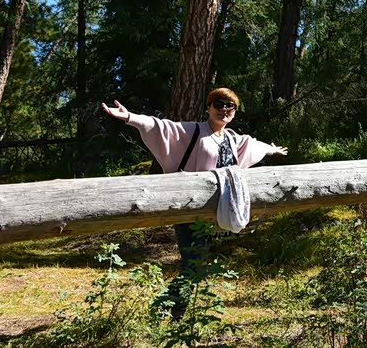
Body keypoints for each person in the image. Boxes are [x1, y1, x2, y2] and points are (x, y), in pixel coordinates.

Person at [101, 87, 287, 317]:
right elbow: (161, 127)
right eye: (219, 104)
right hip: (189, 210)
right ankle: (163, 312)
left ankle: (171, 314)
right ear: (208, 107)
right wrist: (129, 117)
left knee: (196, 264)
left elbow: (253, 145)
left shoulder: (231, 138)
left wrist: (272, 149)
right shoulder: (194, 131)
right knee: (193, 264)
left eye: (230, 106)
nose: (224, 109)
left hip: (213, 214)